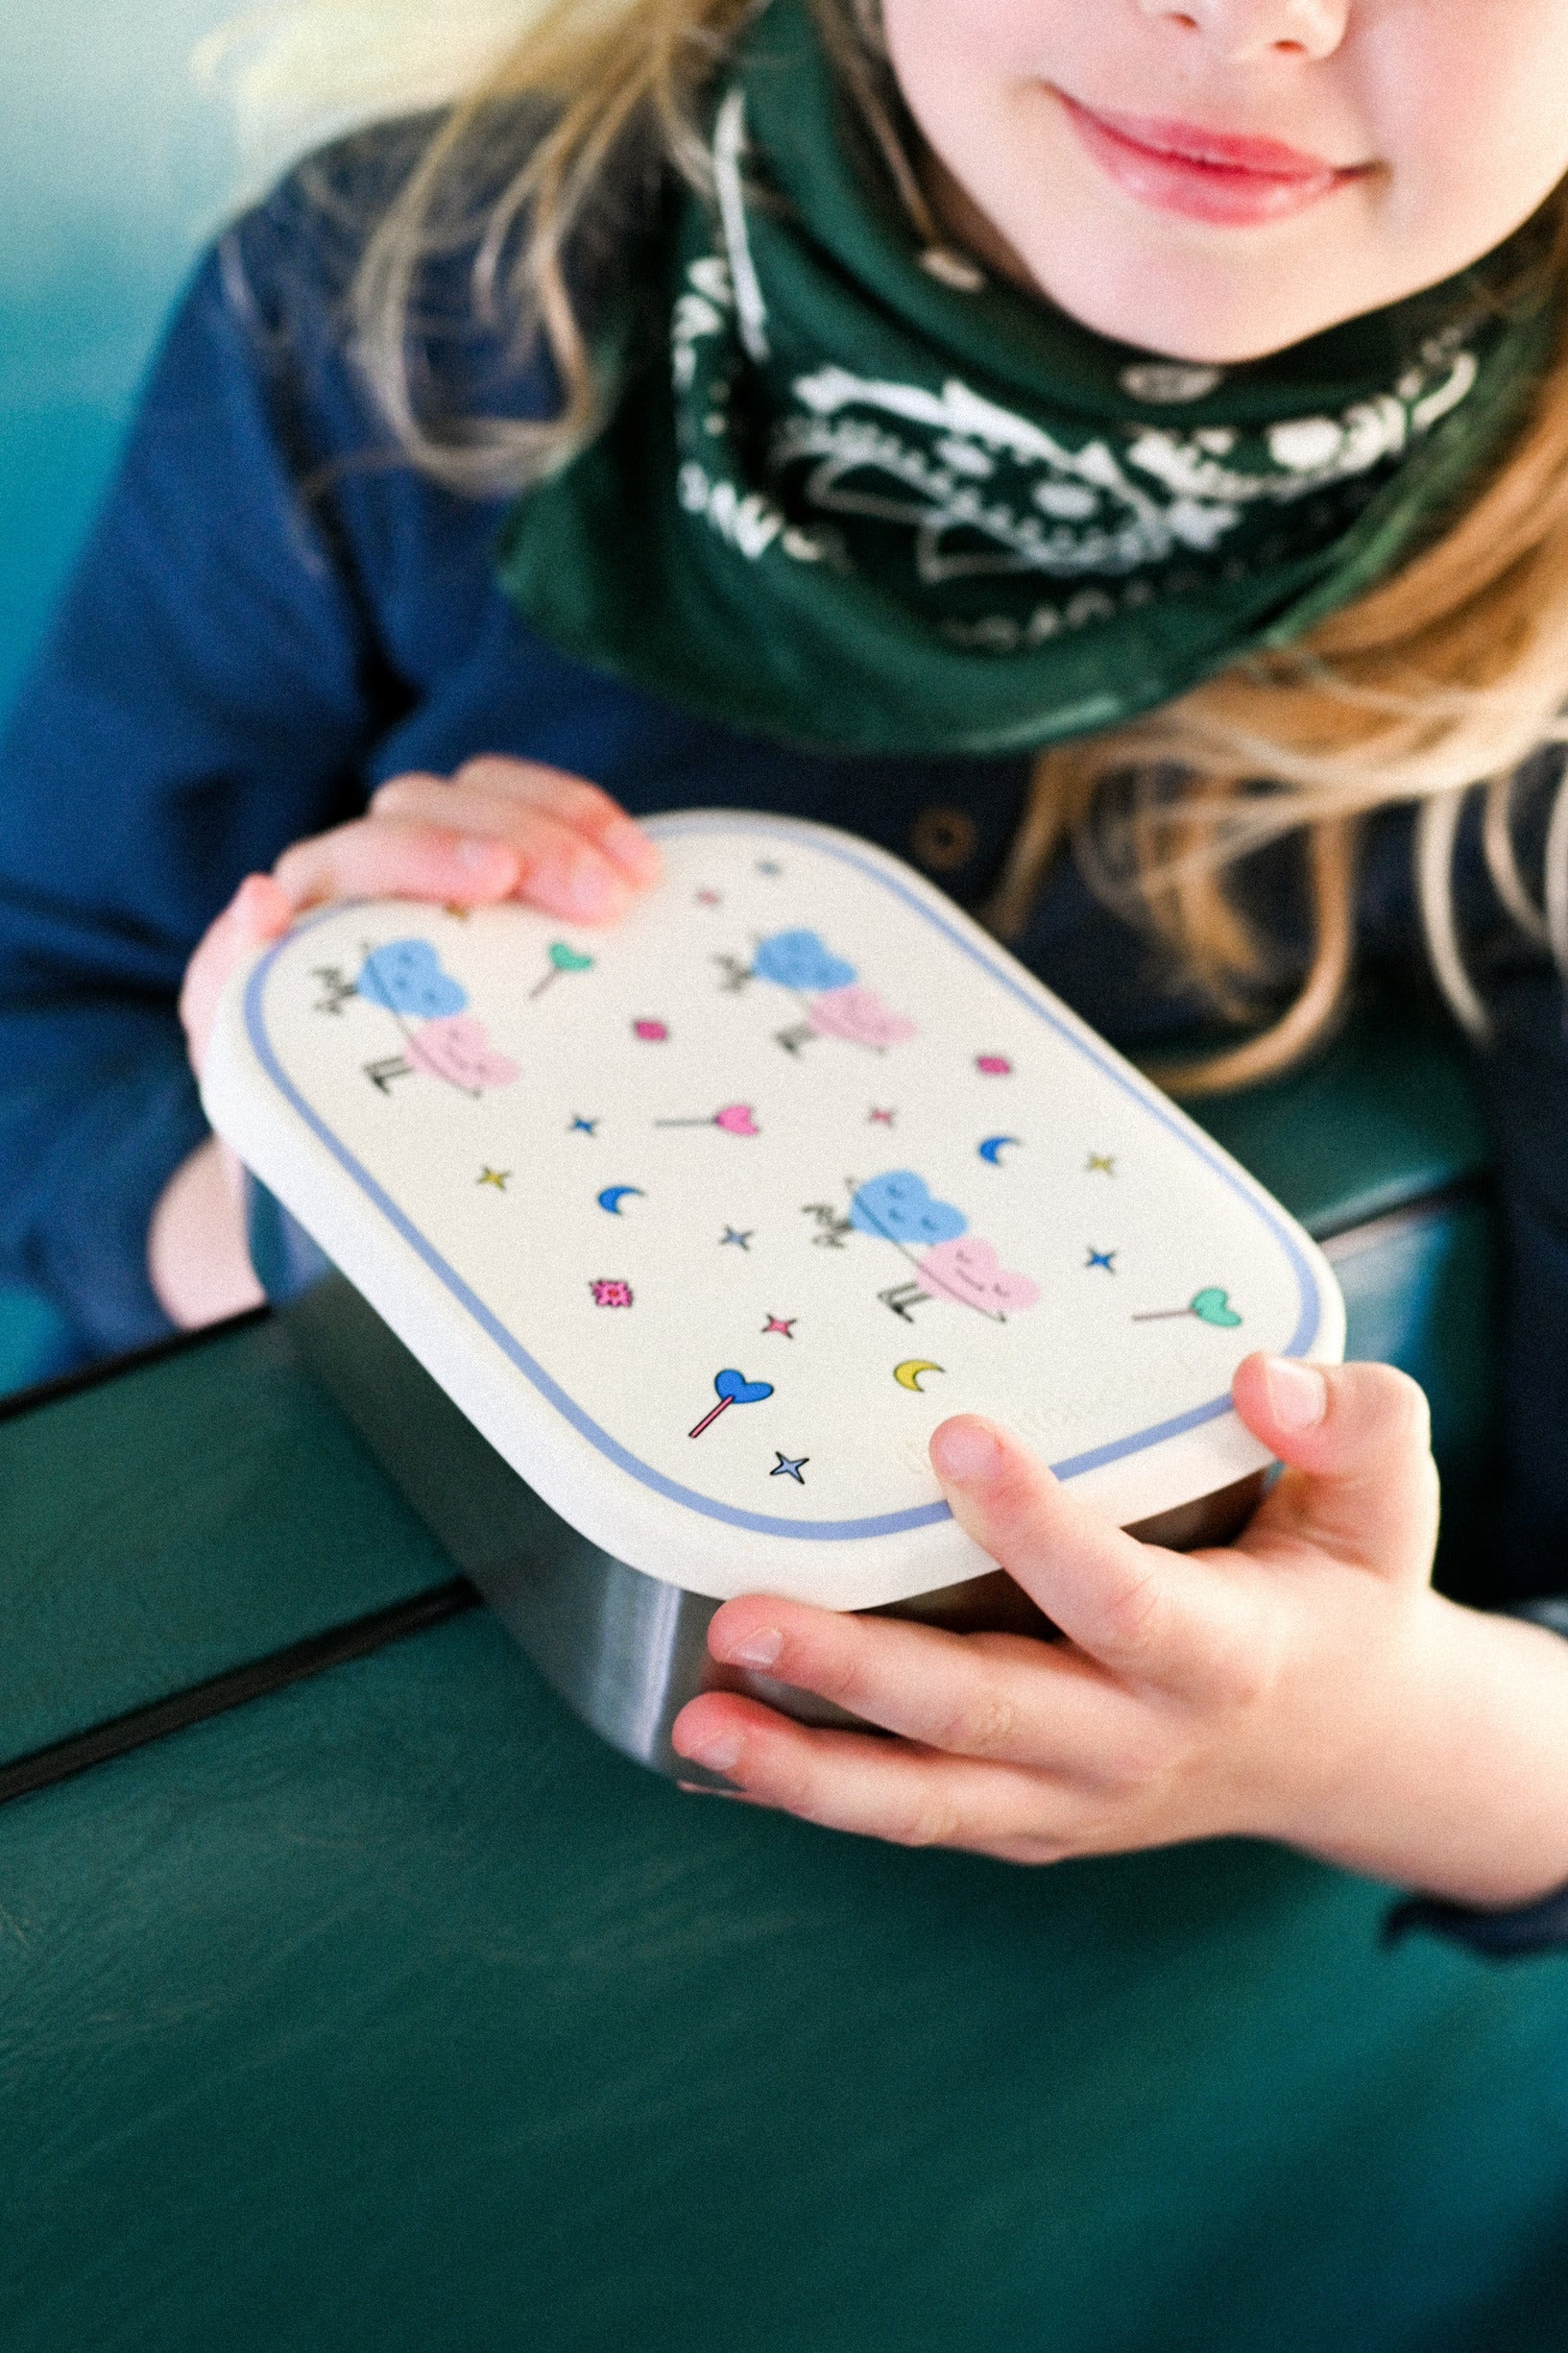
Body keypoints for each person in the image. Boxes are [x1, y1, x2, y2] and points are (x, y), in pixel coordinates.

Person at [3, 0, 1567, 1940]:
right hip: (229, 1805)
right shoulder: (398, 297)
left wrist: (1361, 1734)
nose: (1262, 14)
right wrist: (311, 1193)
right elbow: (36, 1029)